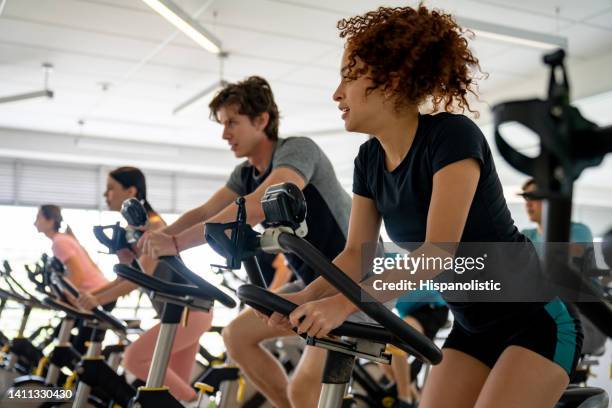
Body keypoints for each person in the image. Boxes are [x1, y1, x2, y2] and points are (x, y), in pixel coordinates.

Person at [264, 6, 582, 408]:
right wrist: (304, 298)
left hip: (535, 320)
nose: (336, 93)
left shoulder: (451, 137)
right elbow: (355, 256)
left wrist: (344, 305)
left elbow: (437, 250)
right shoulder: (369, 160)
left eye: (349, 76)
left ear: (392, 80)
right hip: (472, 329)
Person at [138, 76, 352, 408]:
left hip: (351, 284)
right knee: (237, 336)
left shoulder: (298, 150)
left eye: (232, 123)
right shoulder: (245, 173)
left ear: (262, 120)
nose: (225, 134)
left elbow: (255, 205)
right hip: (311, 283)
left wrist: (178, 244)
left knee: (304, 392)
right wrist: (162, 237)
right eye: (223, 124)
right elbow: (207, 211)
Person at [75, 167, 212, 403]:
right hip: (180, 311)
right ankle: (198, 403)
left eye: (110, 189)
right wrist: (89, 296)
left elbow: (136, 279)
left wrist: (95, 299)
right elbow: (126, 275)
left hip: (190, 312)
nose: (105, 195)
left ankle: (204, 404)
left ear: (131, 191)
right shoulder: (133, 230)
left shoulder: (154, 227)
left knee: (134, 359)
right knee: (170, 399)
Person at [34, 204, 110, 353]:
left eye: (38, 218)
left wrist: (65, 298)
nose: (34, 222)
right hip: (96, 292)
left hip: (97, 295)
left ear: (50, 221)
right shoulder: (64, 239)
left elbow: (78, 273)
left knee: (80, 348)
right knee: (65, 336)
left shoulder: (59, 242)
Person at [385, 291, 448, 407]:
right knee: (383, 353)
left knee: (395, 344)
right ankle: (413, 394)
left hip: (430, 307)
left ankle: (405, 400)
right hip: (413, 312)